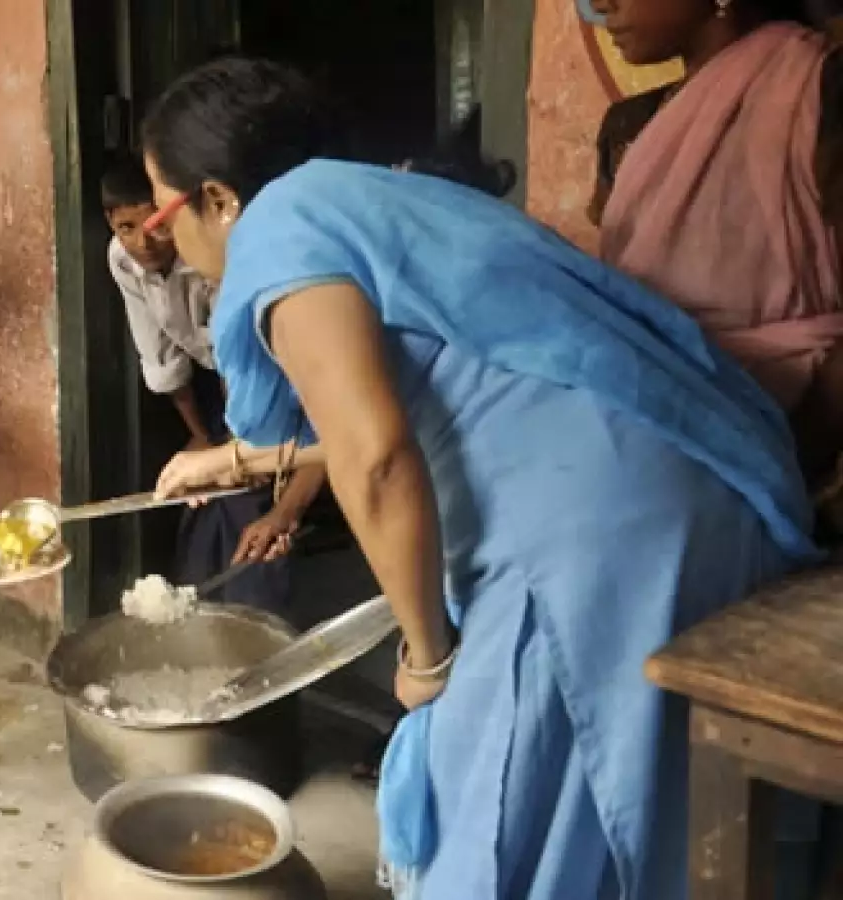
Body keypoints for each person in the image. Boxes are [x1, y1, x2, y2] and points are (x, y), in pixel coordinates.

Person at [143, 57, 817, 899]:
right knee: (635, 798)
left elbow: (378, 456)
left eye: (161, 213)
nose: (162, 240)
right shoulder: (393, 195)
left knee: (508, 810)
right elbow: (461, 394)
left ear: (218, 198)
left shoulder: (280, 226)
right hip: (690, 494)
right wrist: (237, 458)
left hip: (583, 540)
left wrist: (427, 654)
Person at [588, 2, 843, 481]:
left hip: (800, 445)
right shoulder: (629, 129)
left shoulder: (823, 92)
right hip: (654, 425)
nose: (601, 5)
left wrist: (776, 464)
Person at [101, 157, 321, 606]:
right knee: (208, 522)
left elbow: (337, 439)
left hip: (287, 407)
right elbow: (164, 364)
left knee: (254, 538)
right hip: (238, 397)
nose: (147, 242)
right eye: (127, 229)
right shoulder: (127, 261)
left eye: (160, 222)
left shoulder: (255, 284)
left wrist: (281, 506)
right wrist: (211, 446)